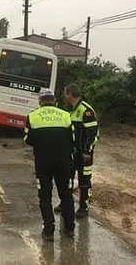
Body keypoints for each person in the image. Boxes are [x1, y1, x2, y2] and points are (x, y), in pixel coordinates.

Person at [24, 88, 76, 241]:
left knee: (45, 196)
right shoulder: (66, 115)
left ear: (40, 101)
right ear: (54, 101)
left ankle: (49, 231)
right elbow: (72, 139)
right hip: (63, 162)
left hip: (43, 162)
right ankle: (70, 229)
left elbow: (28, 139)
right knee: (66, 194)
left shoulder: (32, 116)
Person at [54, 84, 99, 219]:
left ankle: (83, 206)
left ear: (69, 94)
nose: (63, 97)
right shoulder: (70, 110)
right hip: (71, 153)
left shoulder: (86, 111)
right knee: (67, 178)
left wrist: (85, 149)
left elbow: (93, 134)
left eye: (65, 94)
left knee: (84, 180)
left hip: (84, 153)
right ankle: (65, 203)